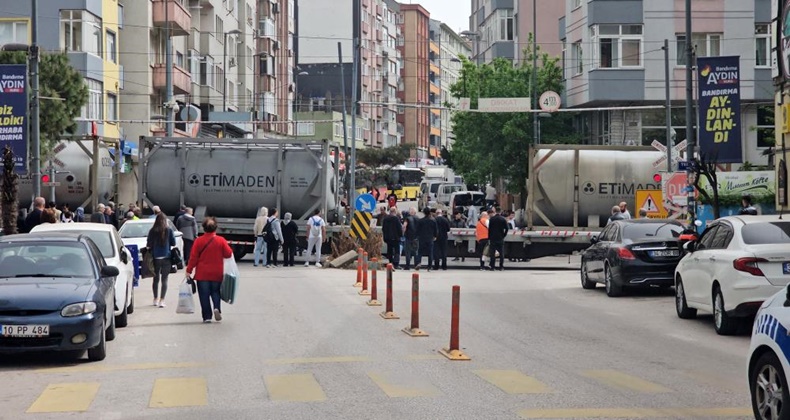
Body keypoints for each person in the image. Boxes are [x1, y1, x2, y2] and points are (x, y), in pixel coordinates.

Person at [187, 217, 233, 323]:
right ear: (215, 228)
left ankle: (207, 317)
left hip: (202, 274)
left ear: (203, 228)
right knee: (216, 292)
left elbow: (193, 258)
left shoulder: (198, 241)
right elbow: (228, 254)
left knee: (204, 295)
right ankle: (216, 308)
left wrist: (189, 270)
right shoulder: (221, 240)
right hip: (217, 273)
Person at [147, 213, 176, 308]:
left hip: (155, 257)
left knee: (155, 279)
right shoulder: (169, 230)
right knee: (165, 279)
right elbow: (173, 243)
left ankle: (155, 299)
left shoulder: (152, 231)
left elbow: (149, 244)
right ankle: (162, 300)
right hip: (166, 257)